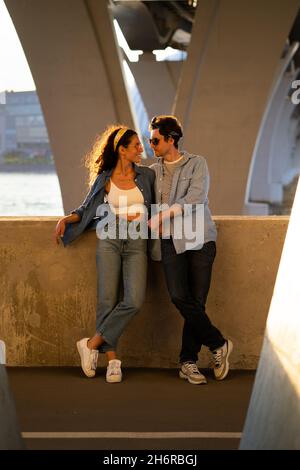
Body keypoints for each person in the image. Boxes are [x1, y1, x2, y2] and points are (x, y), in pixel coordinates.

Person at [54, 125, 155, 383]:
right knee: (107, 300)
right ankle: (112, 361)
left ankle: (90, 344)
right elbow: (87, 207)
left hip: (137, 242)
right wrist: (68, 218)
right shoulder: (104, 179)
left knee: (134, 299)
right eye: (136, 146)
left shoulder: (146, 176)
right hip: (109, 238)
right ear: (122, 150)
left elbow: (157, 206)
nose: (141, 149)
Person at [147, 115, 233, 385]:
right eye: (150, 140)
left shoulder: (197, 163)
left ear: (170, 139)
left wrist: (162, 217)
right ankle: (218, 343)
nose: (151, 145)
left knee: (196, 302)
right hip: (171, 240)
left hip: (200, 239)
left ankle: (188, 361)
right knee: (179, 296)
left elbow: (196, 197)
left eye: (155, 140)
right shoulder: (153, 170)